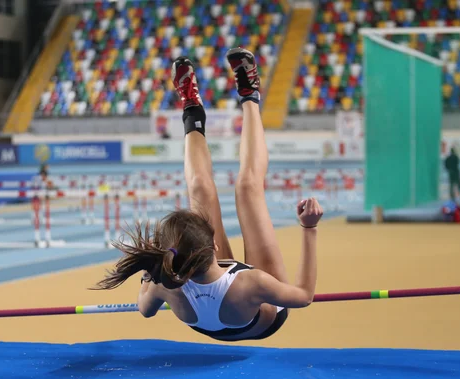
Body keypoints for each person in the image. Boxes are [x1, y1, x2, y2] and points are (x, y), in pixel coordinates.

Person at [95, 48, 322, 342]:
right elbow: (303, 297)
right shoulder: (253, 283)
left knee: (200, 188)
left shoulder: (167, 283)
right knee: (248, 187)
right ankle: (249, 94)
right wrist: (309, 229)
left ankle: (191, 108)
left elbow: (145, 310)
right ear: (215, 244)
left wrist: (149, 275)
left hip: (221, 297)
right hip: (263, 314)